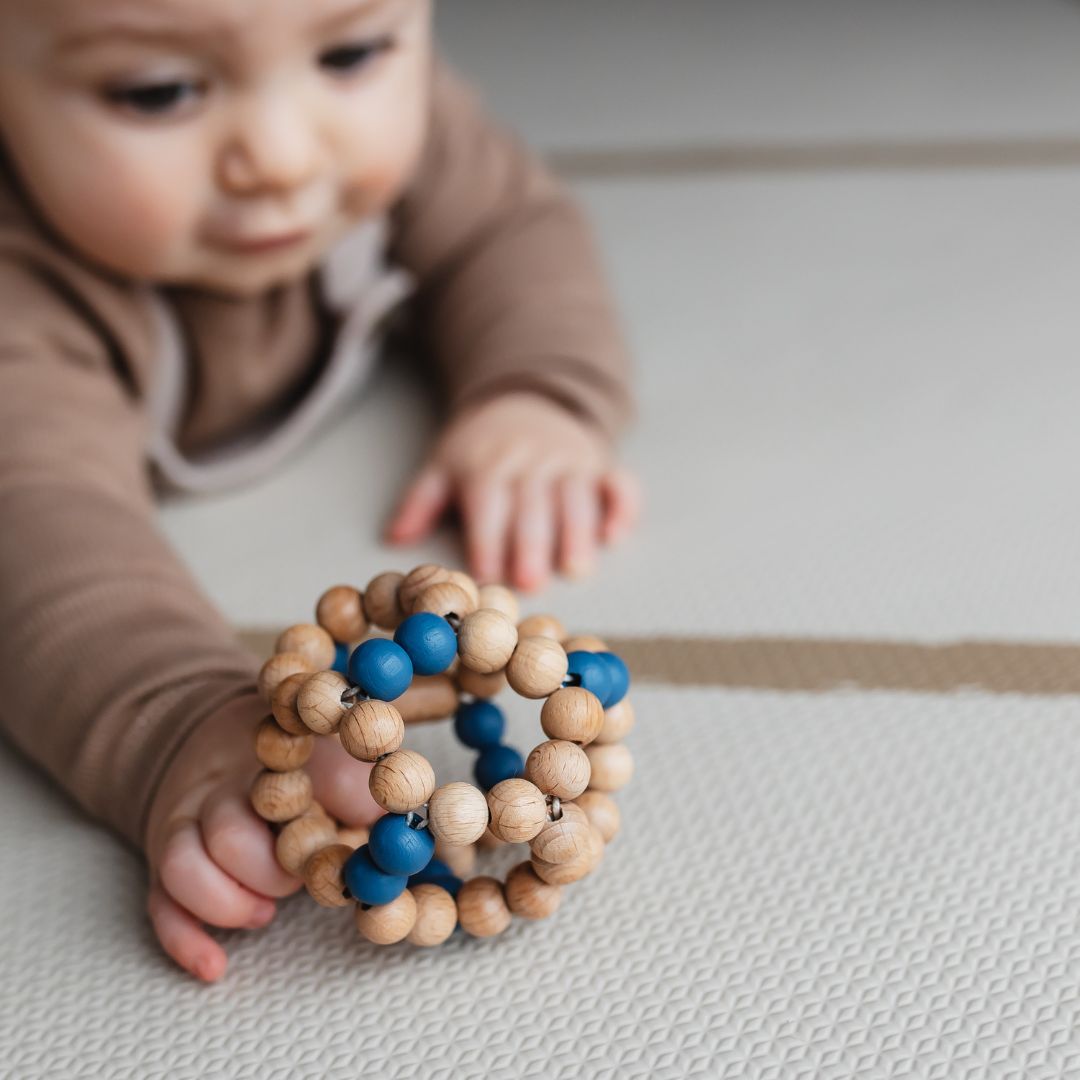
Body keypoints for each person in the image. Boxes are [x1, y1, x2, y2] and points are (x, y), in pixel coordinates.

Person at [0, 0, 638, 981]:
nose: (285, 156)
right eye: (158, 91)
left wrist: (536, 389)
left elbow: (512, 227)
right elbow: (35, 523)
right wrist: (175, 721)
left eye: (349, 51)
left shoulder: (406, 128)